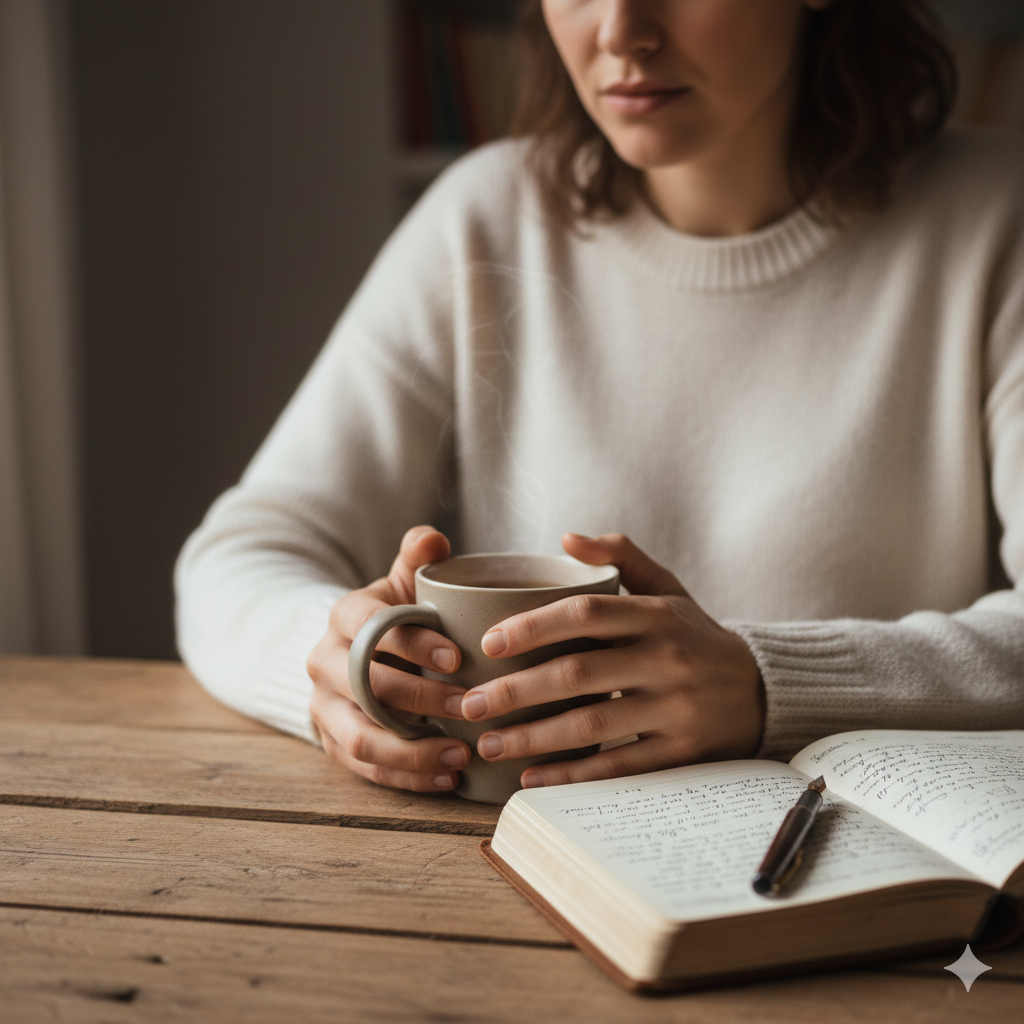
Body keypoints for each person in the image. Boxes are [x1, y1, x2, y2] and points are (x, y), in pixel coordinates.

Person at [175, 0, 1024, 797]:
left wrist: (768, 684)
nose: (621, 31)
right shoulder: (486, 218)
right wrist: (325, 666)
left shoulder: (997, 221)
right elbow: (237, 555)